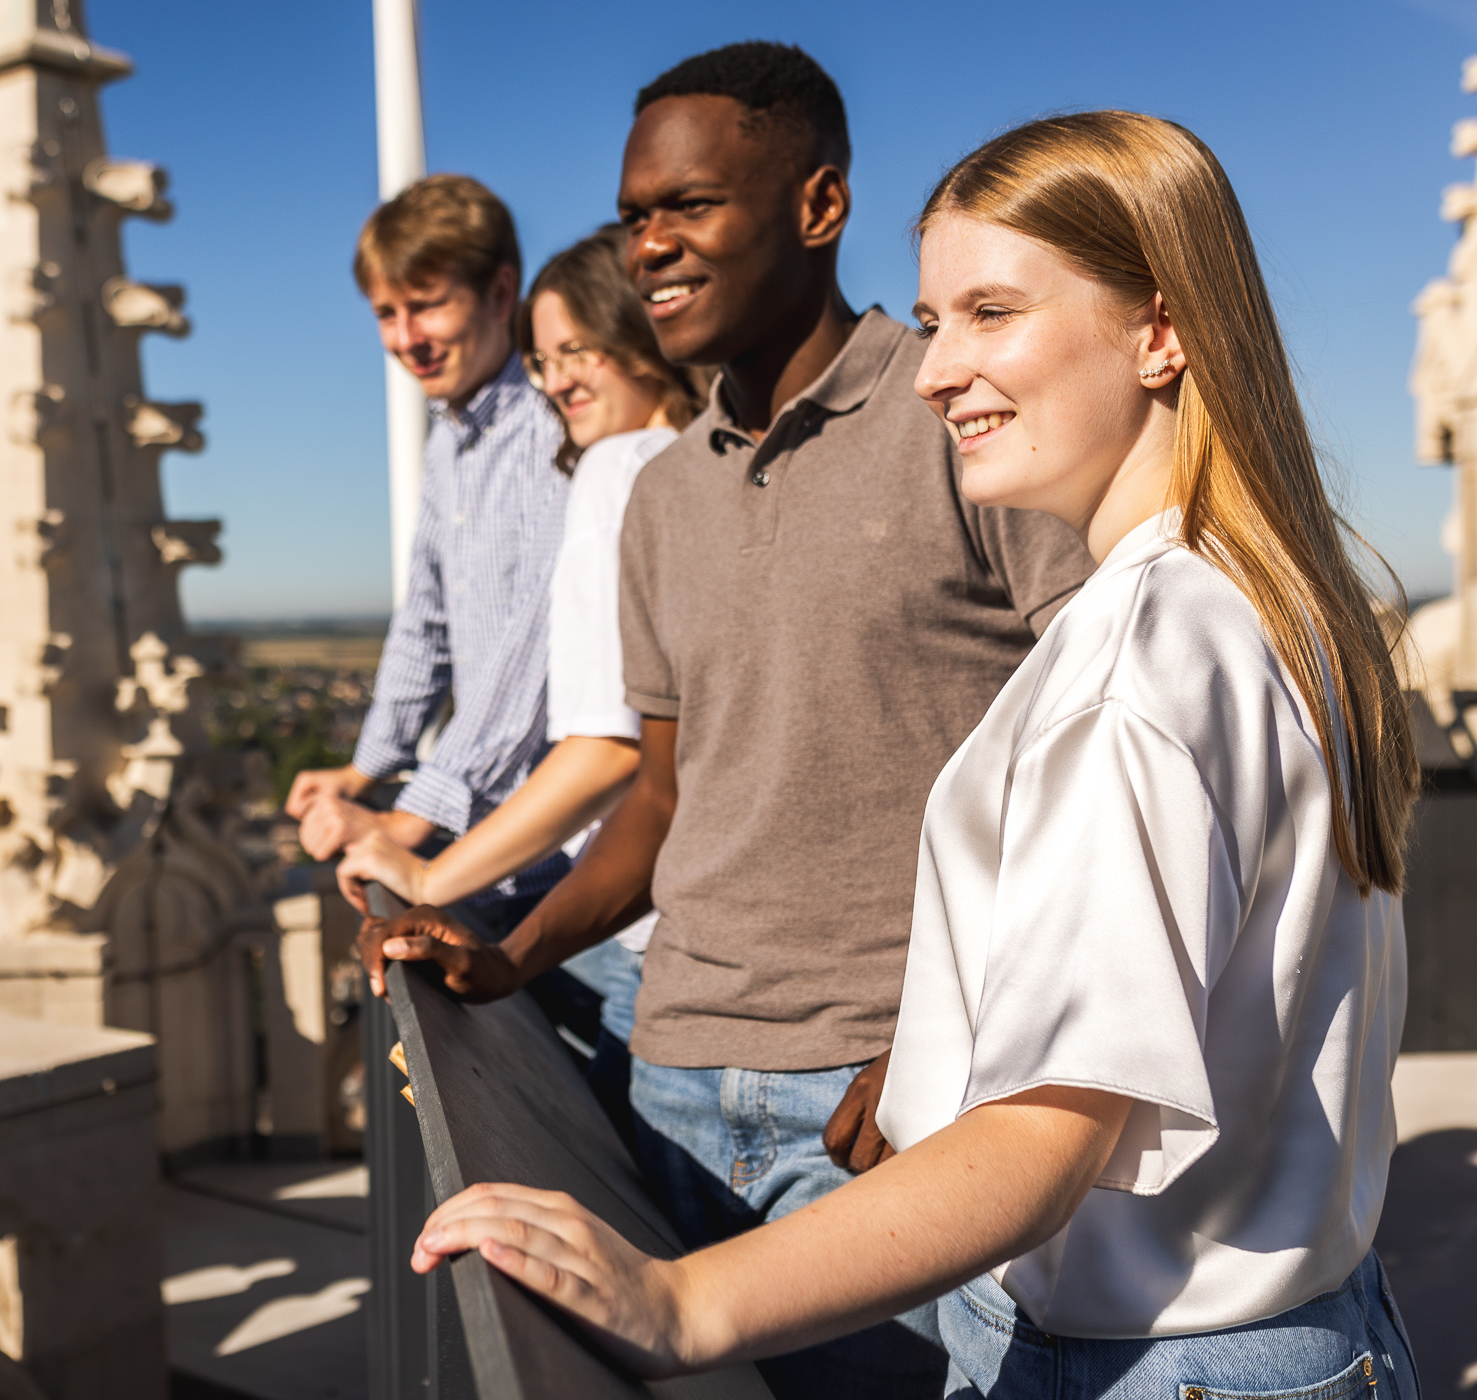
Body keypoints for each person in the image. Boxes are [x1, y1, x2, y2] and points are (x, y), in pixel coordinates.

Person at [405, 109, 1424, 1398]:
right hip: (1311, 1324)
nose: (939, 371)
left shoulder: (1136, 660)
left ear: (1160, 329)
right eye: (937, 321)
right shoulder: (1258, 602)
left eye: (993, 313)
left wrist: (681, 1298)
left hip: (1155, 1358)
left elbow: (1047, 1136)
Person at [358, 42, 1091, 1392]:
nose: (651, 246)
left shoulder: (959, 419)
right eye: (636, 217)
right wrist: (504, 957)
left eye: (688, 207)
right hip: (674, 1082)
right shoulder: (663, 496)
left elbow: (1095, 759)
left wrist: (956, 1036)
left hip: (881, 1113)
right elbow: (660, 800)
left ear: (819, 206)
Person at [338, 225, 704, 1125]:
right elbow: (426, 622)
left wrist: (429, 872)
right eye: (546, 361)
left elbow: (607, 748)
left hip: (664, 935)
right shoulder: (705, 465)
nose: (557, 383)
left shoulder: (617, 468)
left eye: (578, 348)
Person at [288, 175, 569, 935]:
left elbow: (535, 653)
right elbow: (428, 623)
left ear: (499, 290)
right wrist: (366, 768)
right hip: (496, 858)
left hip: (571, 862)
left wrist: (408, 821)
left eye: (428, 304)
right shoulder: (451, 438)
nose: (406, 338)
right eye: (387, 312)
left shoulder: (557, 420)